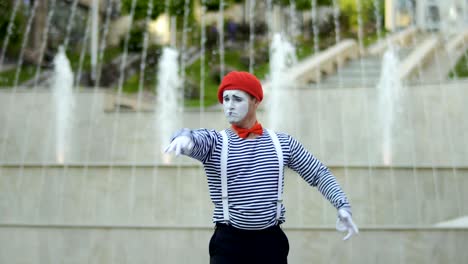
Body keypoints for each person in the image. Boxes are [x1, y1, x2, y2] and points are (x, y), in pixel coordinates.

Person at [164, 71, 358, 264]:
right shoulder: (216, 142)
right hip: (228, 243)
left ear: (255, 101)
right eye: (226, 99)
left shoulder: (282, 143)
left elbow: (318, 173)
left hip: (270, 242)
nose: (229, 106)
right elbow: (196, 137)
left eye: (237, 99)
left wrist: (342, 205)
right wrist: (184, 138)